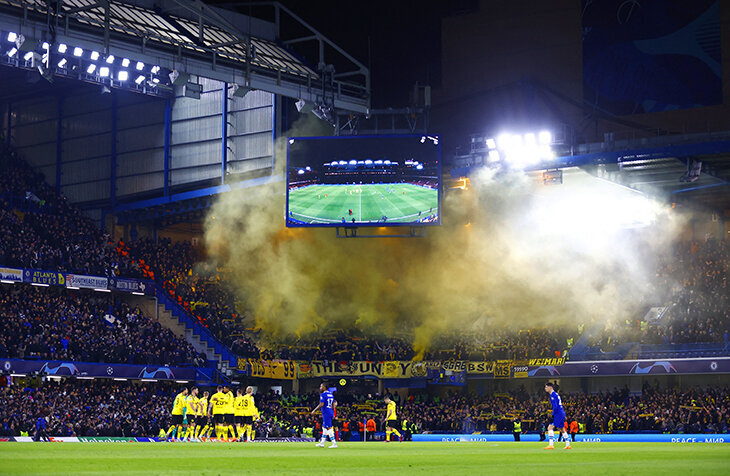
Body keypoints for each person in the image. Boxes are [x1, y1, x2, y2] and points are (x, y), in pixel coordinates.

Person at [544, 382, 571, 450]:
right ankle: (568, 445)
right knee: (562, 429)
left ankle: (551, 445)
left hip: (558, 413)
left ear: (550, 387)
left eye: (546, 387)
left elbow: (555, 406)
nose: (545, 388)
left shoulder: (553, 395)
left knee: (550, 427)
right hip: (561, 412)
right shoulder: (556, 394)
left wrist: (553, 414)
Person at [311, 382, 337, 448]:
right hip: (330, 411)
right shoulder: (331, 394)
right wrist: (333, 412)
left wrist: (314, 410)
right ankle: (322, 443)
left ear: (324, 387)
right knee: (324, 427)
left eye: (321, 386)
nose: (320, 388)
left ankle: (334, 443)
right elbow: (334, 404)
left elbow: (321, 404)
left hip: (326, 413)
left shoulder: (323, 395)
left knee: (329, 428)